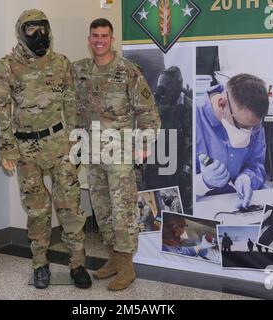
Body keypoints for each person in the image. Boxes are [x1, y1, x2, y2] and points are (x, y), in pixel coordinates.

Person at [0, 9, 91, 290]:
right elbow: (1, 109)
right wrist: (7, 148)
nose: (39, 35)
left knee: (70, 206)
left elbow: (72, 104)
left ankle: (78, 264)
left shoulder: (61, 63)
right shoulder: (7, 66)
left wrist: (75, 140)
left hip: (59, 143)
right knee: (37, 210)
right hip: (25, 149)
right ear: (20, 32)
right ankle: (39, 265)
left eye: (43, 29)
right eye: (32, 30)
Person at [73, 18, 161, 291]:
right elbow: (72, 109)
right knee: (102, 210)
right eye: (95, 35)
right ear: (89, 39)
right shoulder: (79, 70)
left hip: (120, 153)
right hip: (92, 152)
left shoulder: (127, 71)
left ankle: (127, 267)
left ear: (112, 39)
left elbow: (148, 112)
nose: (99, 40)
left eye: (105, 35)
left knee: (122, 211)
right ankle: (112, 259)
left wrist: (145, 144)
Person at [195, 74, 269, 209]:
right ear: (222, 104)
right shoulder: (191, 118)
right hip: (204, 208)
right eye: (243, 126)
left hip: (242, 203)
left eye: (254, 127)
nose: (249, 132)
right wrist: (201, 183)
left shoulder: (252, 121)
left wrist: (247, 178)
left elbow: (257, 165)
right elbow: (170, 189)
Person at [144, 66, 193, 213]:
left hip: (178, 165)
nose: (164, 90)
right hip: (156, 162)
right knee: (154, 207)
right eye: (162, 85)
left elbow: (192, 143)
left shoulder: (188, 107)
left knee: (178, 209)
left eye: (168, 86)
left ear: (177, 85)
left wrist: (187, 168)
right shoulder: (155, 103)